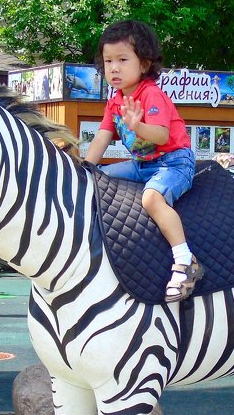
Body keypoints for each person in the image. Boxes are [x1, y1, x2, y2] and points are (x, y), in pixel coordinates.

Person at [83, 20, 204, 302]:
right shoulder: (114, 102)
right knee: (99, 180)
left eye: (123, 60)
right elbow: (102, 137)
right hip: (142, 165)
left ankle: (185, 260)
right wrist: (85, 169)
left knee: (151, 199)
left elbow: (161, 135)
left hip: (173, 162)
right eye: (108, 60)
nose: (114, 68)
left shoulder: (150, 94)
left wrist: (137, 127)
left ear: (145, 63)